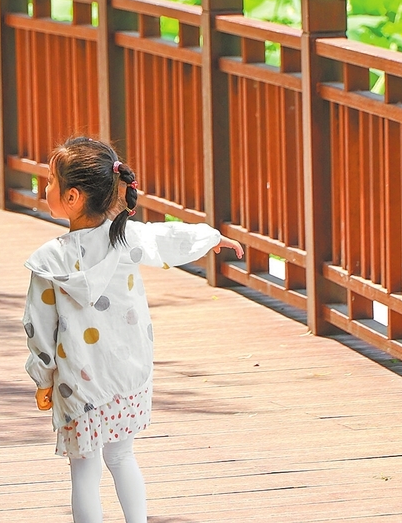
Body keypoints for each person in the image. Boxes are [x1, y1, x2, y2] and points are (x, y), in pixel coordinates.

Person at [22, 136, 244, 523]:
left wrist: (42, 378)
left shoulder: (48, 261)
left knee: (84, 471)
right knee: (122, 456)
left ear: (72, 197)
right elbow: (167, 239)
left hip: (79, 382)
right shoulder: (126, 238)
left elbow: (39, 329)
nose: (46, 188)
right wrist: (210, 238)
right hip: (126, 374)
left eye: (50, 181)